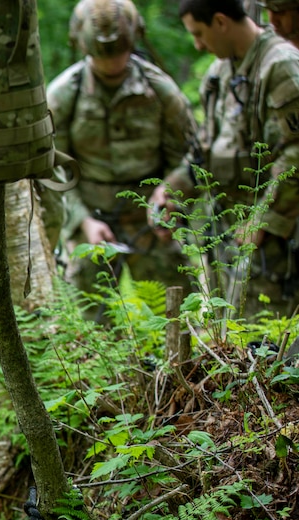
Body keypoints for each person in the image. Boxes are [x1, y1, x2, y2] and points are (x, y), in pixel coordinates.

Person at [151, 0, 299, 318]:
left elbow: (296, 151)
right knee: (231, 343)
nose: (197, 45)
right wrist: (172, 190)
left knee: (270, 343)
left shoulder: (281, 64)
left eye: (199, 34)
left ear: (220, 21)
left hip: (273, 248)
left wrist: (263, 217)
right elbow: (205, 150)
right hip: (228, 238)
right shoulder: (219, 73)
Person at [47, 0, 197, 310]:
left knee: (178, 312)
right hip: (92, 220)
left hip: (152, 220)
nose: (112, 62)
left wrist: (170, 194)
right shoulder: (63, 94)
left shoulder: (161, 90)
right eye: (103, 55)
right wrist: (81, 221)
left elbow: (191, 155)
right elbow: (52, 168)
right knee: (91, 319)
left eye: (119, 52)